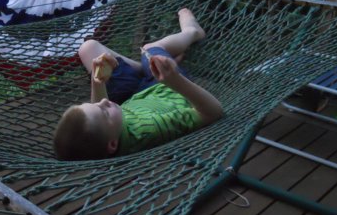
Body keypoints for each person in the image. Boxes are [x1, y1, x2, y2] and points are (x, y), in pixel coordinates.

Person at [53, 8, 223, 160]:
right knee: (150, 48)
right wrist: (175, 80)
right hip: (167, 87)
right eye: (104, 112)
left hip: (135, 97)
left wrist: (97, 82)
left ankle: (147, 66)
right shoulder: (150, 128)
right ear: (112, 144)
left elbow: (102, 110)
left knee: (88, 47)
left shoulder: (109, 135)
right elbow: (212, 112)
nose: (103, 102)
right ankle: (192, 31)